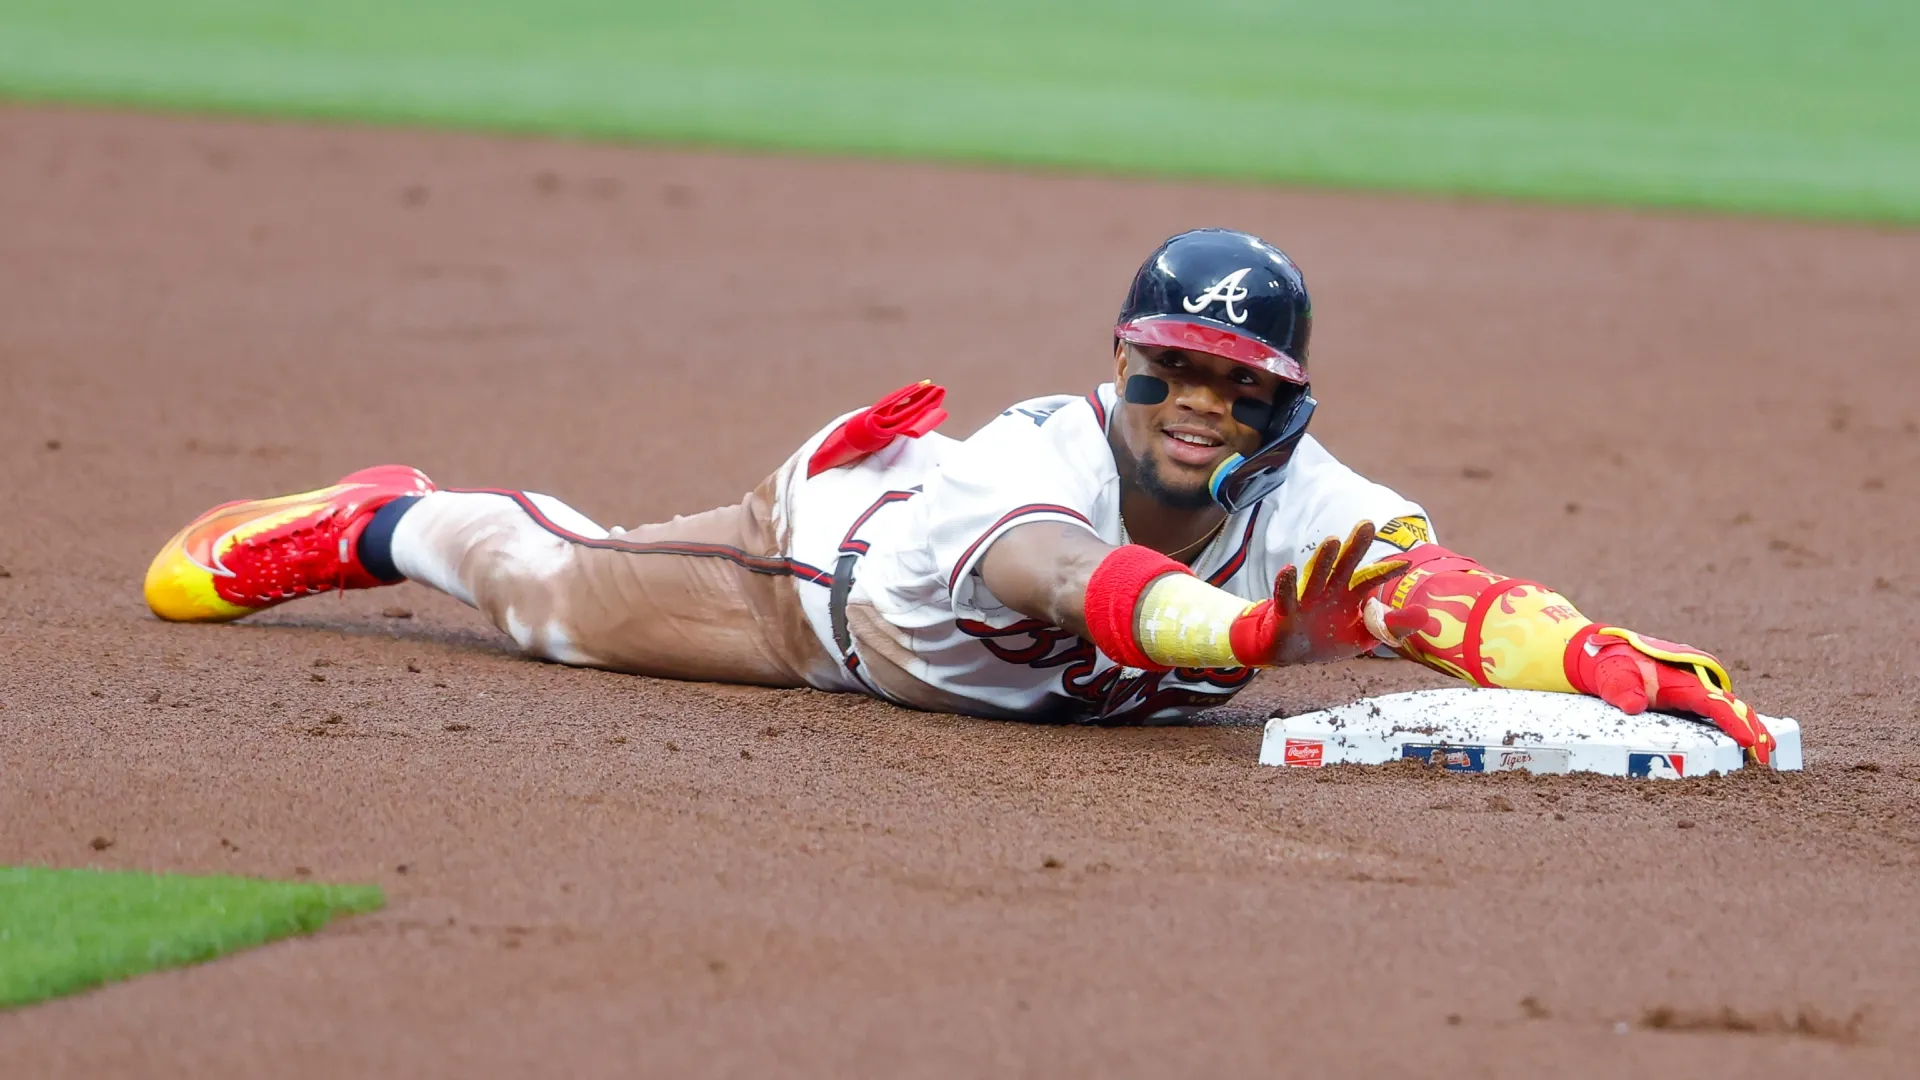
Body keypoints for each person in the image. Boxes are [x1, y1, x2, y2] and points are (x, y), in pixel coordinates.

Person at [143, 229, 1772, 762]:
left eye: (1237, 386)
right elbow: (1072, 581)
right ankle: (371, 516)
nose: (1196, 404)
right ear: (1121, 368)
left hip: (997, 642)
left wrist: (1623, 672)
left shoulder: (1314, 499)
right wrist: (1249, 635)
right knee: (555, 594)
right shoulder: (1036, 467)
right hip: (823, 588)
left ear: (1285, 402)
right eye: (1167, 371)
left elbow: (1447, 597)